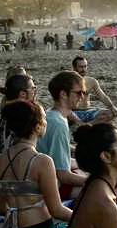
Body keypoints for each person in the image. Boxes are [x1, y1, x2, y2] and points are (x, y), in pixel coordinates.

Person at [0, 101, 73, 228]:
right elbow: (57, 211)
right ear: (38, 127)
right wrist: (83, 218)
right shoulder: (42, 161)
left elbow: (0, 209)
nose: (46, 122)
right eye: (44, 119)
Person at [37, 71, 89, 200]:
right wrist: (102, 182)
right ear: (63, 94)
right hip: (48, 184)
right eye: (78, 93)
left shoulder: (50, 114)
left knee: (83, 168)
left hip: (42, 173)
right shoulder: (59, 123)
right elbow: (63, 175)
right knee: (115, 191)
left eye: (83, 93)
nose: (82, 97)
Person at [70, 56, 117, 125]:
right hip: (73, 113)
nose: (83, 69)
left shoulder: (91, 81)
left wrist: (112, 106)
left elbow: (102, 96)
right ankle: (87, 126)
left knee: (110, 113)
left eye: (85, 66)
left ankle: (88, 125)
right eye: (81, 67)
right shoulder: (68, 81)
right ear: (74, 68)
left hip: (87, 111)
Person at [0, 72, 37, 153]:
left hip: (5, 157)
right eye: (33, 88)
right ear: (22, 94)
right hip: (19, 158)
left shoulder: (7, 109)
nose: (35, 91)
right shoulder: (23, 113)